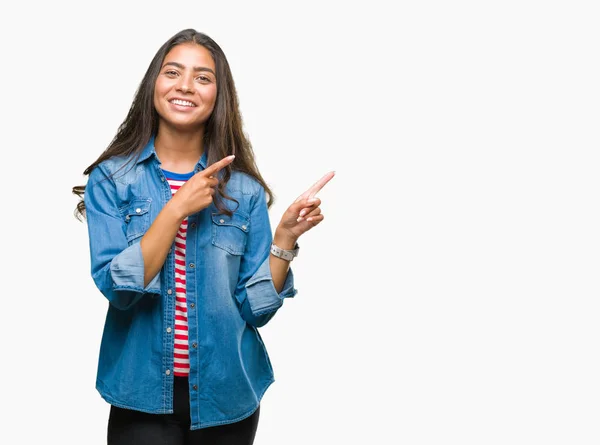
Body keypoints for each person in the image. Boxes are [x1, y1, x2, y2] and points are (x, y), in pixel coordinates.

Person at [72, 28, 334, 445]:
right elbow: (119, 289)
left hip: (227, 396)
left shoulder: (245, 190)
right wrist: (176, 208)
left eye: (202, 77)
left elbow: (256, 310)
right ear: (153, 85)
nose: (185, 86)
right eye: (172, 71)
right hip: (140, 397)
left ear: (218, 96)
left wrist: (284, 238)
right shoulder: (113, 179)